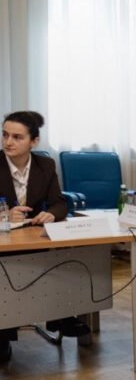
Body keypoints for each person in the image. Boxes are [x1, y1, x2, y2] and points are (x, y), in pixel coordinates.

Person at [1, 111, 74, 363]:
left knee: (67, 259)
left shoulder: (46, 165)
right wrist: (4, 215)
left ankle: (62, 317)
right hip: (3, 244)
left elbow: (60, 203)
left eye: (17, 137)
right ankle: (3, 335)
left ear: (34, 141)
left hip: (33, 239)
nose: (8, 142)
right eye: (5, 135)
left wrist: (52, 214)